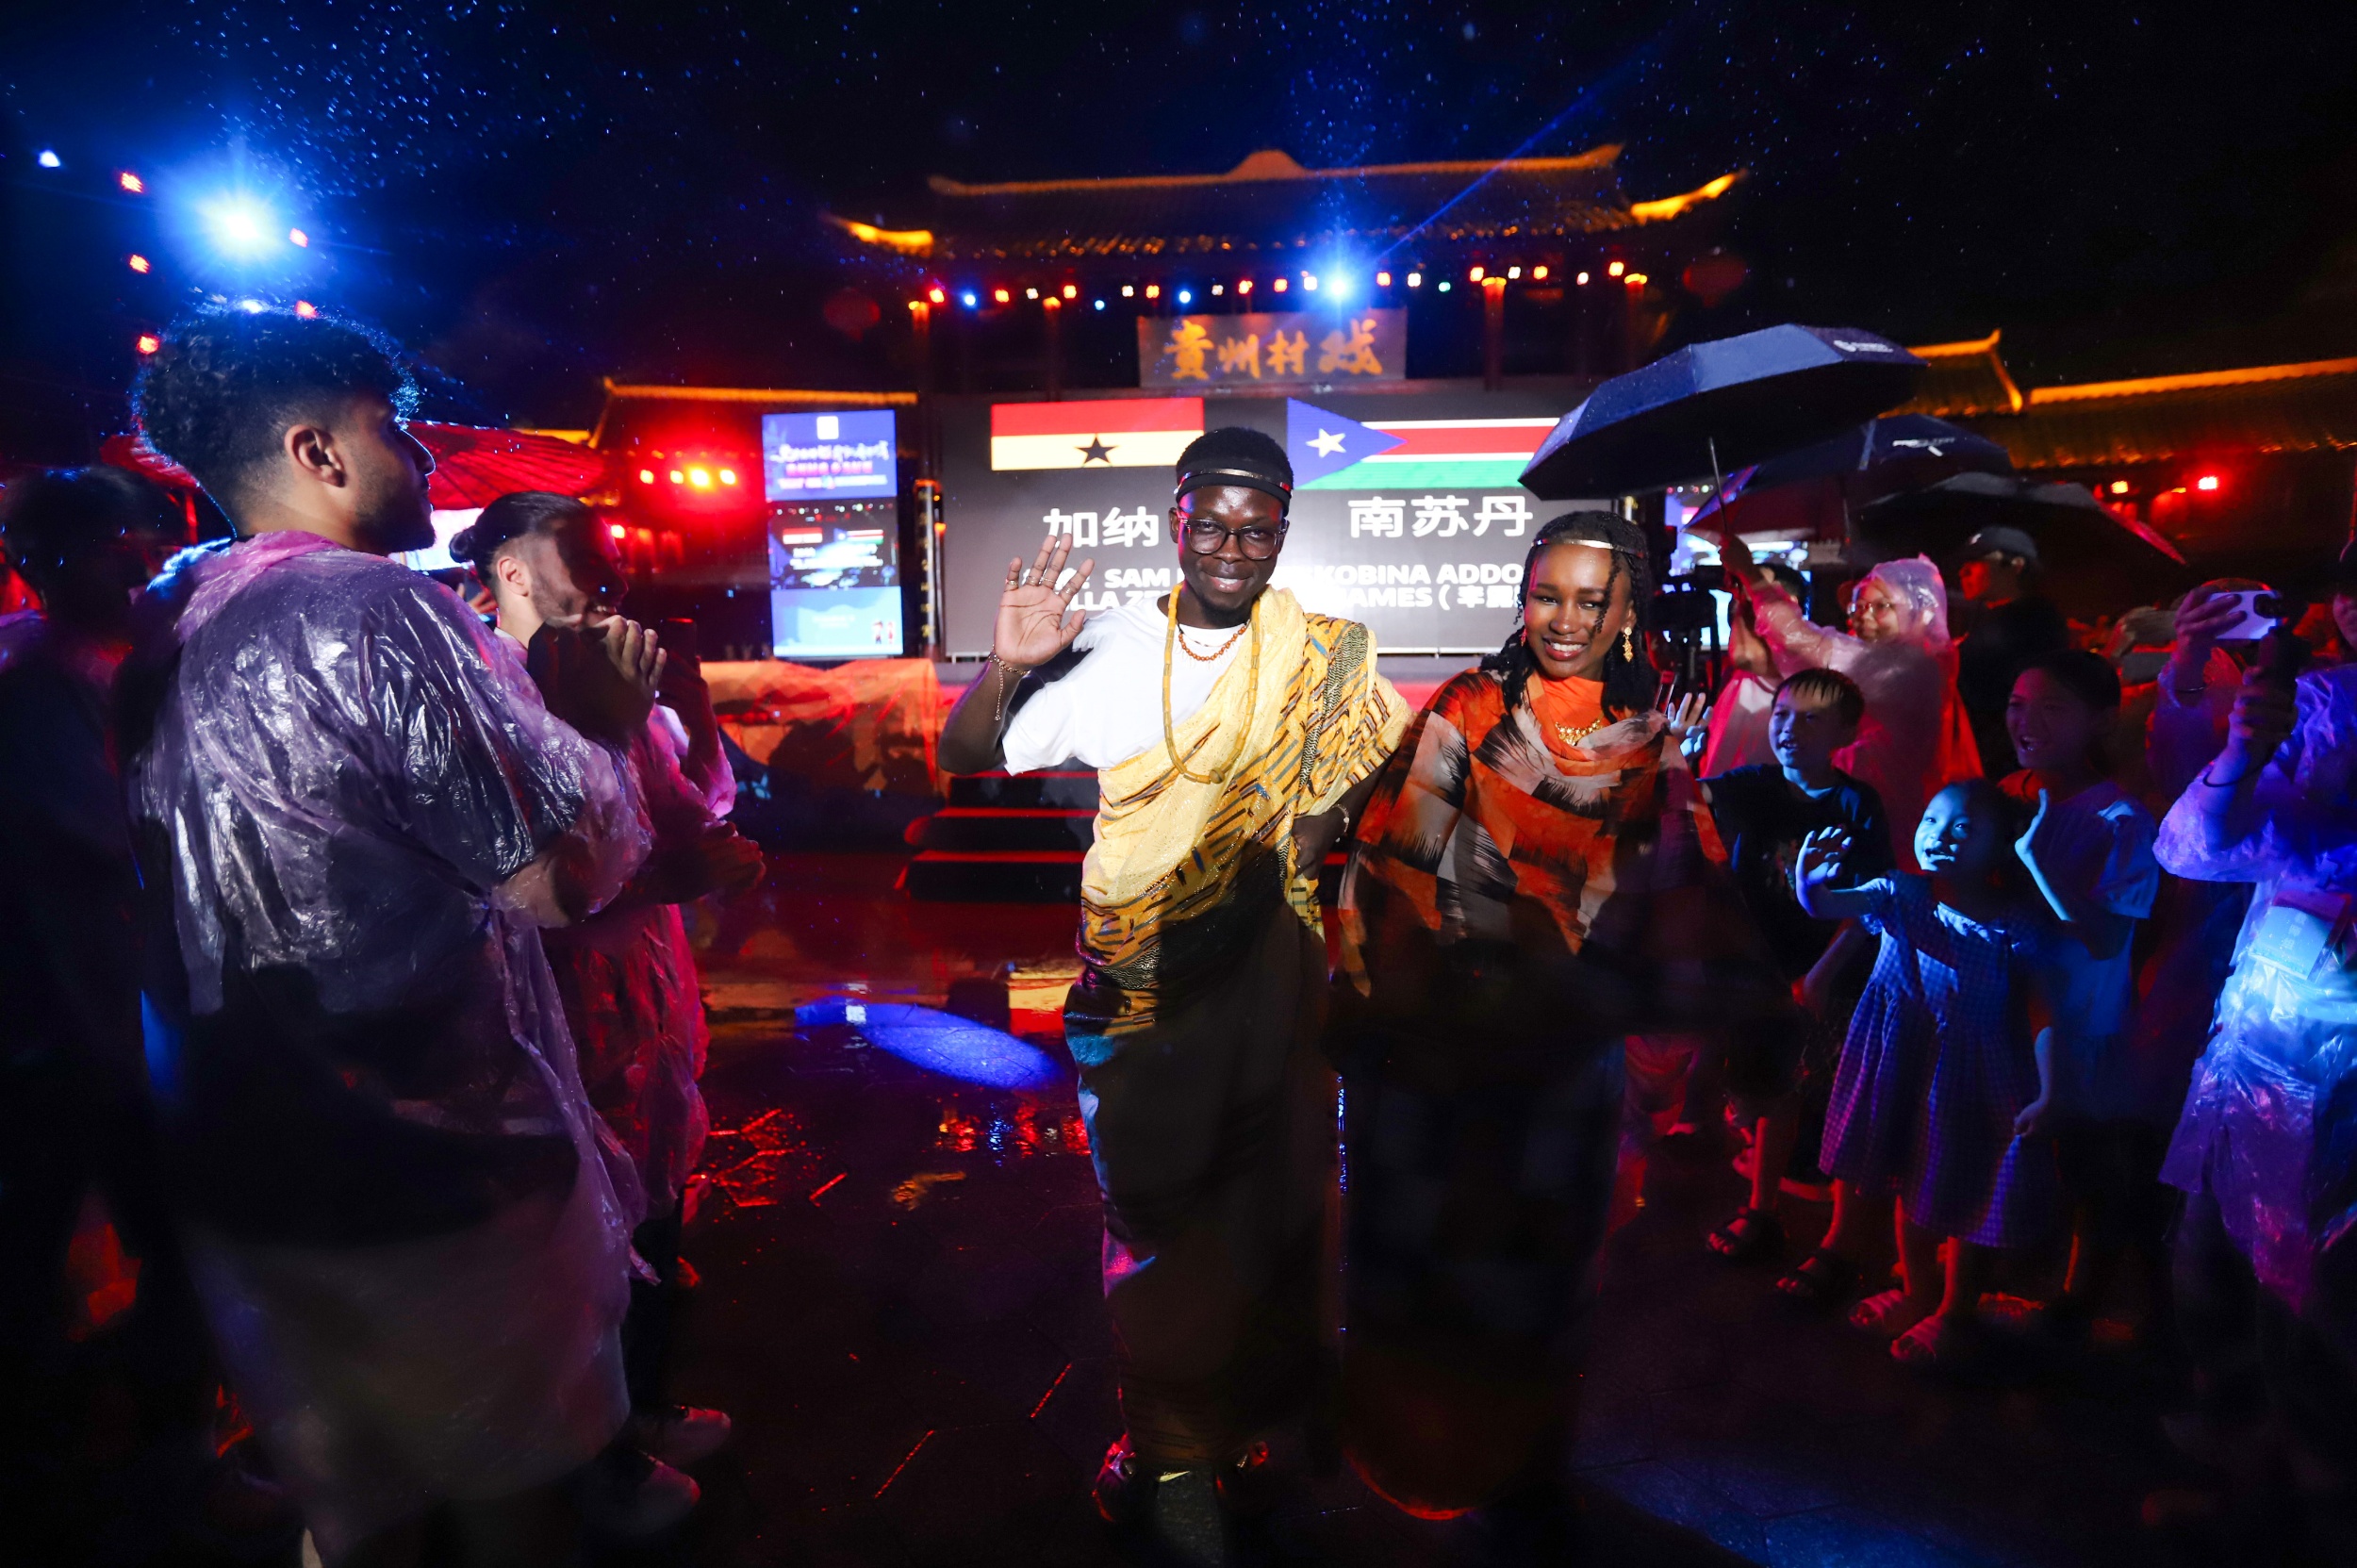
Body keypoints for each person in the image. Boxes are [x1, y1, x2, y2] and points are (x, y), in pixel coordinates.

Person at [125, 306, 668, 1564]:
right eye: (395, 430)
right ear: (319, 452)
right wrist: (603, 722)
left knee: (351, 1507)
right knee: (501, 1497)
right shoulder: (373, 607)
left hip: (244, 1156)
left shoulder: (171, 615)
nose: (421, 459)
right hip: (426, 1158)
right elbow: (552, 879)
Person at [935, 428, 1409, 1542]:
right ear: (1176, 522)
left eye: (1258, 529)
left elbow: (1351, 771)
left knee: (1266, 1200)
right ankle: (1165, 1442)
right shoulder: (1103, 643)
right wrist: (1008, 665)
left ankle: (1236, 1421)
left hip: (1271, 972)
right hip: (1141, 982)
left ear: (1284, 531)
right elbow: (965, 757)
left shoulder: (1326, 651)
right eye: (1213, 524)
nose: (1234, 548)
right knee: (1153, 1214)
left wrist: (1313, 839)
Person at [1330, 510, 1760, 1547]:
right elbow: (1396, 869)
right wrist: (1483, 944)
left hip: (1563, 1063)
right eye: (1547, 596)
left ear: (1624, 613)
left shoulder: (1647, 740)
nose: (1565, 619)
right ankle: (1419, 1454)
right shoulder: (1468, 712)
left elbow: (1671, 892)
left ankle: (1528, 1463)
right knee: (1436, 1262)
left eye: (1589, 599)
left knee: (1549, 1268)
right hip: (1449, 1054)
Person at [0, 467, 290, 1551]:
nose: (142, 563)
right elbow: (106, 835)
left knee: (122, 1232)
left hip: (113, 1008)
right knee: (149, 1231)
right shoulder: (43, 678)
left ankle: (126, 1443)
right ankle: (152, 1464)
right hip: (87, 1018)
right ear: (60, 557)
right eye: (126, 541)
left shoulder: (103, 658)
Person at [451, 491, 763, 1477]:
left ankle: (634, 1422)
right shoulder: (480, 694)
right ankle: (595, 1460)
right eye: (580, 553)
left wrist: (693, 706)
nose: (609, 575)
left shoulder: (616, 684)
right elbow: (527, 882)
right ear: (506, 568)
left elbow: (693, 806)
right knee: (571, 1228)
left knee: (650, 1197)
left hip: (643, 991)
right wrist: (672, 870)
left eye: (610, 555)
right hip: (551, 1008)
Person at [2152, 640, 2357, 1558]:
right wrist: (2240, 747)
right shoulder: (2321, 694)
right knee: (2204, 1263)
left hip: (2340, 1091)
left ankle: (2303, 1517)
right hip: (2253, 1059)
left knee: (2316, 1326)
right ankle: (2249, 1469)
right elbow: (2192, 849)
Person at [1782, 780, 2057, 1365]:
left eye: (1964, 829)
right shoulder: (1900, 892)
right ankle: (1917, 1292)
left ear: (2003, 844)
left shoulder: (2016, 923)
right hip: (1900, 1058)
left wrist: (2048, 1086)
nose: (1940, 837)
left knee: (1965, 1185)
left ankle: (1955, 1309)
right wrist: (1808, 884)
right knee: (1908, 1174)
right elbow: (1830, 903)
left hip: (1975, 1072)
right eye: (1932, 821)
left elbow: (2040, 1007)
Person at [1697, 668, 1889, 1265]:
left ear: (1846, 733)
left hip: (1828, 974)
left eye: (1811, 719)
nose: (1789, 730)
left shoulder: (1858, 803)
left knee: (1834, 1096)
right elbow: (1684, 794)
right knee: (1770, 1091)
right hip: (1762, 972)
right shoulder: (1752, 785)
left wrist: (1827, 973)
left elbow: (1869, 904)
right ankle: (1763, 1210)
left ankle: (1842, 1239)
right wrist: (1667, 759)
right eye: (1782, 715)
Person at [1999, 652, 2163, 1341]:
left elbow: (2102, 937)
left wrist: (2036, 860)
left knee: (2091, 1166)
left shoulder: (2123, 817)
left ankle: (2084, 1304)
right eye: (2016, 703)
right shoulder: (2007, 789)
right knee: (2034, 1151)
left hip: (2083, 1021)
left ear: (2100, 720)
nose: (2026, 721)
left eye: (2052, 707)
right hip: (2017, 1013)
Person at [1718, 533, 1981, 871]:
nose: (1862, 615)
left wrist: (1752, 576)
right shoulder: (1888, 660)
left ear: (1919, 610)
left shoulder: (1912, 669)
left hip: (1882, 812)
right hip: (1858, 804)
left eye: (1881, 606)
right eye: (1859, 605)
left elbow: (1801, 641)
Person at [1954, 525, 2070, 775]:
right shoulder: (1990, 618)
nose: (1963, 571)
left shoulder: (2034, 619)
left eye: (1977, 562)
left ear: (2016, 565)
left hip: (2012, 765)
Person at [1697, 560, 1805, 777]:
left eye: (1759, 591)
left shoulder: (1797, 655)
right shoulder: (1737, 673)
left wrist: (1745, 590)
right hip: (1725, 795)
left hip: (1763, 798)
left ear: (1791, 603)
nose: (1744, 599)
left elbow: (1745, 655)